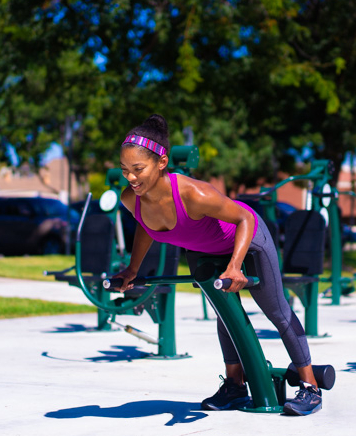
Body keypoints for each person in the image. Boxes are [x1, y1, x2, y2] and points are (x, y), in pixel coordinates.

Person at [113, 114, 322, 416]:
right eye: (124, 170)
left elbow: (244, 218)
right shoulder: (131, 199)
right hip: (204, 250)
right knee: (226, 317)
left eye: (137, 169)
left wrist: (235, 266)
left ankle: (310, 387)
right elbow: (147, 227)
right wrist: (132, 270)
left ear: (161, 162)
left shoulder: (193, 194)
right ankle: (235, 386)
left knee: (277, 311)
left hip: (247, 241)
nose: (131, 178)